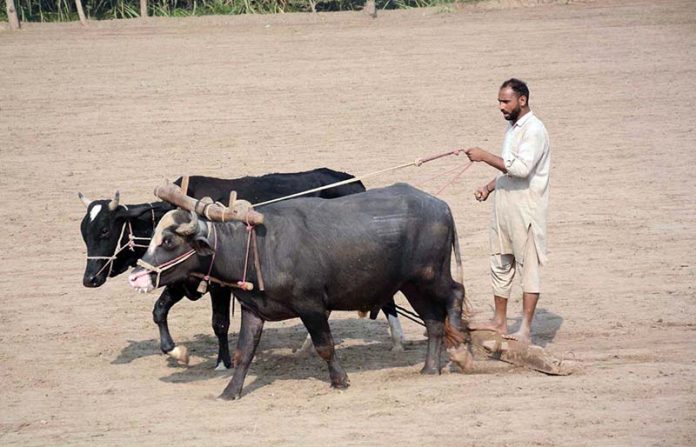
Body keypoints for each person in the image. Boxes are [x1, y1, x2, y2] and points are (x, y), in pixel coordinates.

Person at [464, 78, 550, 345]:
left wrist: (484, 156)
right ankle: (500, 322)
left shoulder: (534, 130)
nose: (501, 106)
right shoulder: (512, 128)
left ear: (521, 100)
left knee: (528, 268)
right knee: (500, 263)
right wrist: (489, 187)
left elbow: (522, 169)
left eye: (505, 101)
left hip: (526, 209)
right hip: (504, 204)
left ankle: (524, 329)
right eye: (499, 101)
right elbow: (509, 169)